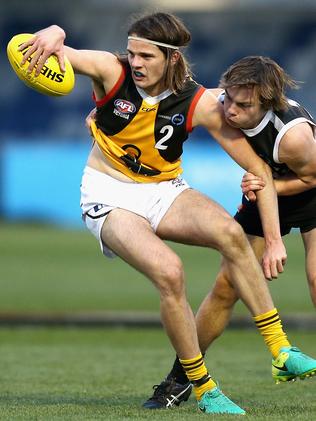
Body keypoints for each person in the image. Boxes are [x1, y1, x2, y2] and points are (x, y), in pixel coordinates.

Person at [18, 13, 313, 414]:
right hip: (108, 193)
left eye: (145, 56)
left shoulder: (199, 102)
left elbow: (258, 169)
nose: (135, 62)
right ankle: (205, 388)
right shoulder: (111, 69)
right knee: (171, 272)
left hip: (164, 189)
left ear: (172, 59)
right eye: (132, 52)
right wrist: (54, 32)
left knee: (230, 233)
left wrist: (274, 238)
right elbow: (64, 52)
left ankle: (280, 350)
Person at [142, 55, 316, 410]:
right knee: (225, 286)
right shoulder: (225, 100)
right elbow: (162, 100)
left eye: (243, 105)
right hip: (262, 188)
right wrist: (104, 114)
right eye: (229, 99)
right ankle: (180, 379)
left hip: (306, 189)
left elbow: (312, 177)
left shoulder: (294, 137)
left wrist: (267, 188)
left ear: (267, 103)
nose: (231, 110)